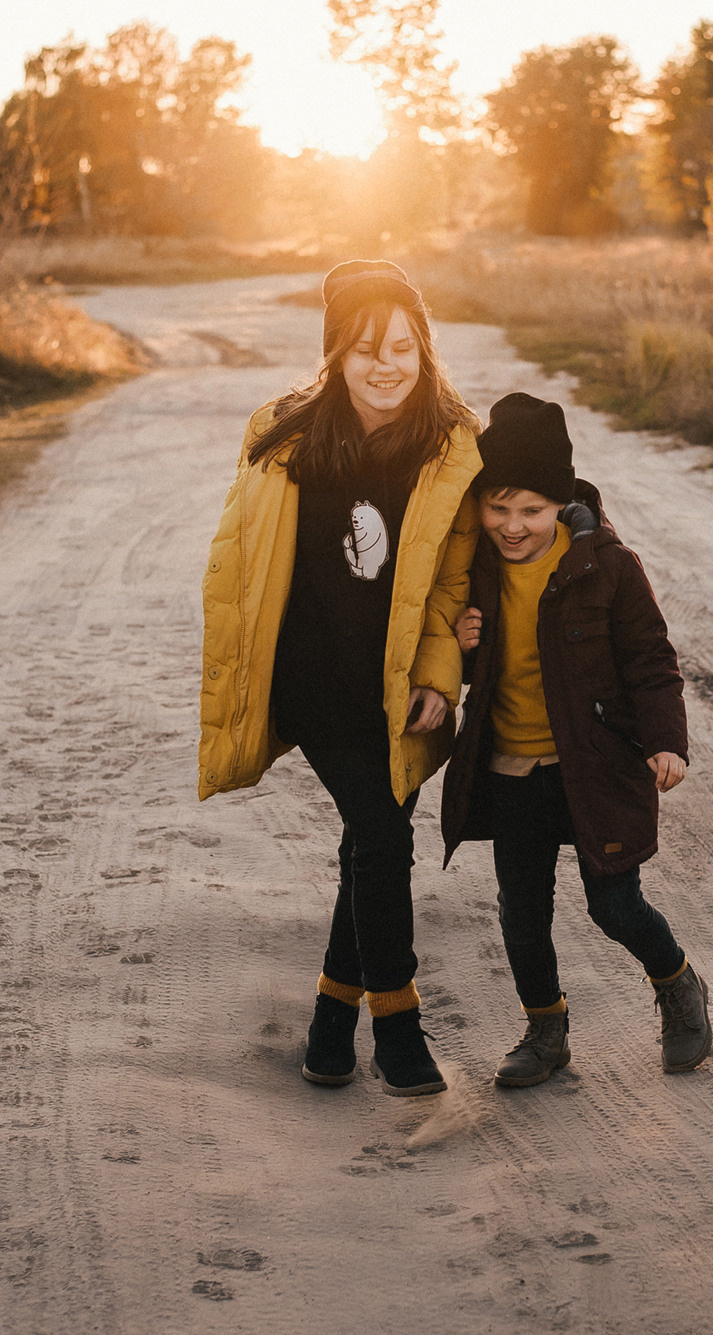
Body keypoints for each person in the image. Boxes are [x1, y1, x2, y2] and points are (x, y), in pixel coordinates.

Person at [200, 261, 481, 1097]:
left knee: (370, 842)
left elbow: (453, 580)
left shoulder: (451, 445)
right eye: (365, 350)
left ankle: (330, 1022)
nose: (385, 364)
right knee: (385, 836)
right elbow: (240, 570)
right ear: (336, 357)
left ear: (423, 349)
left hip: (395, 689)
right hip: (313, 684)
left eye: (401, 346)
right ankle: (396, 1023)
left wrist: (441, 669)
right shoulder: (286, 443)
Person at [440, 392, 713, 1087]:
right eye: (496, 509)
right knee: (522, 911)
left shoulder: (607, 566)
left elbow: (652, 659)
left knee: (613, 903)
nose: (511, 526)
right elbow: (461, 660)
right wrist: (462, 645)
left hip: (592, 764)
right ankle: (545, 1029)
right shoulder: (474, 568)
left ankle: (679, 987)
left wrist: (666, 741)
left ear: (559, 505)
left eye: (529, 510)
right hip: (511, 765)